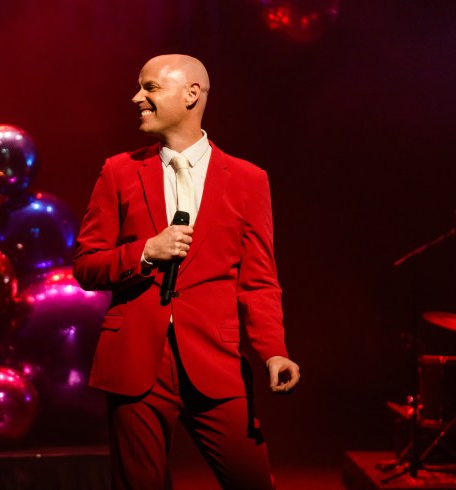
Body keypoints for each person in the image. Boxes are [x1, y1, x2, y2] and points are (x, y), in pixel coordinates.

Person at [72, 54, 300, 489]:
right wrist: (145, 252)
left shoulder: (248, 179)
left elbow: (258, 281)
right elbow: (86, 266)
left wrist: (273, 350)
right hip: (136, 363)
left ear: (191, 94)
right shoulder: (119, 171)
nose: (136, 98)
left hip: (215, 360)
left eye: (150, 87)